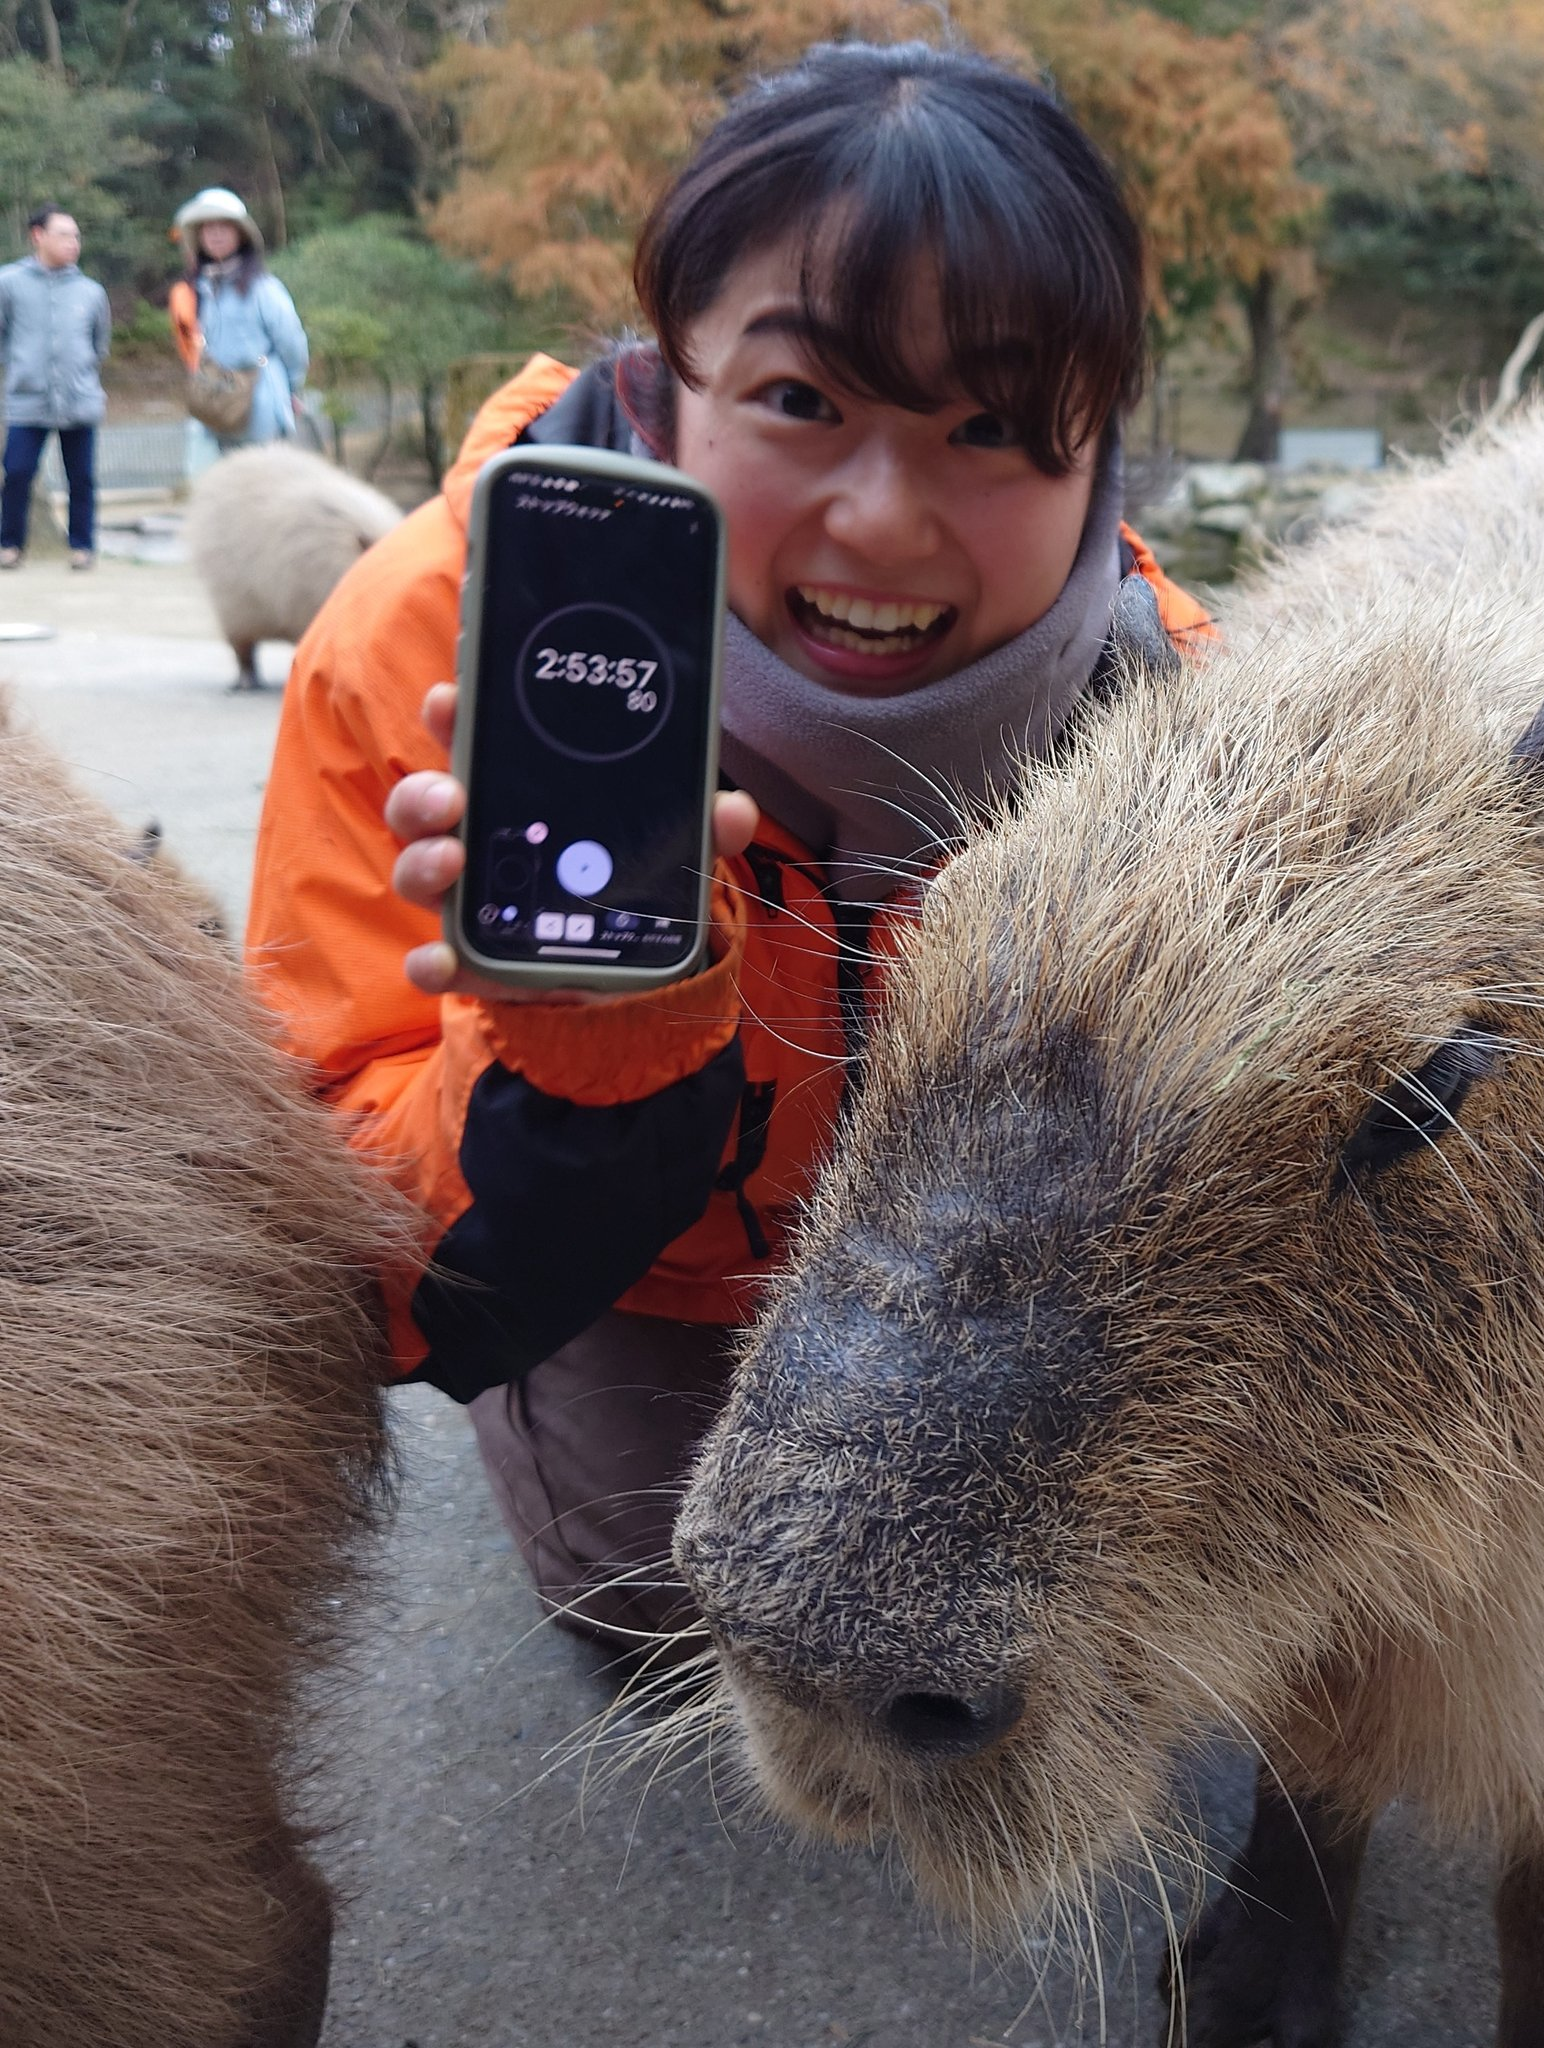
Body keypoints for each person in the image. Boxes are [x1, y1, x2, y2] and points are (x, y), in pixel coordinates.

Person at [244, 41, 1213, 1657]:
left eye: (989, 425)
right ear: (661, 388)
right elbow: (350, 1269)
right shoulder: (433, 642)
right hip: (652, 1268)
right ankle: (573, 1409)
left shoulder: (1165, 692)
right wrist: (575, 1073)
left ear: (1096, 447)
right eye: (797, 401)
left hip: (969, 1262)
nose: (883, 519)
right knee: (663, 1605)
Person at [0, 206, 109, 571]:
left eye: (76, 236)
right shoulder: (9, 283)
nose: (72, 242)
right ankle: (10, 545)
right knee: (16, 472)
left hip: (79, 398)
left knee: (81, 477)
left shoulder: (90, 292)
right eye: (63, 234)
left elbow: (99, 345)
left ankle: (83, 547)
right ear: (38, 236)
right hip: (27, 399)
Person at [168, 188, 308, 471]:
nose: (216, 234)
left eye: (224, 227)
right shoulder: (200, 290)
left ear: (240, 234)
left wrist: (291, 388)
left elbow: (292, 344)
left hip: (261, 404)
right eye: (209, 228)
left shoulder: (264, 288)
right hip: (217, 405)